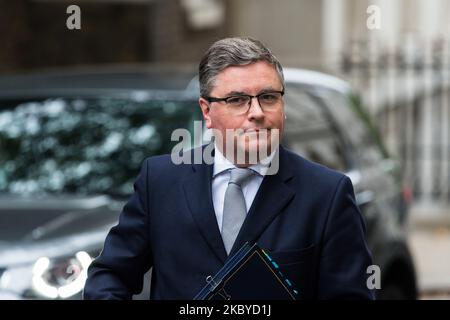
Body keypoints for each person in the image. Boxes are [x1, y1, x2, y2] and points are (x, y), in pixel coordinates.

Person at [83, 37, 374, 300]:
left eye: (268, 97)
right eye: (237, 100)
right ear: (207, 112)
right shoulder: (160, 180)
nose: (257, 112)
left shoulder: (326, 193)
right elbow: (109, 275)